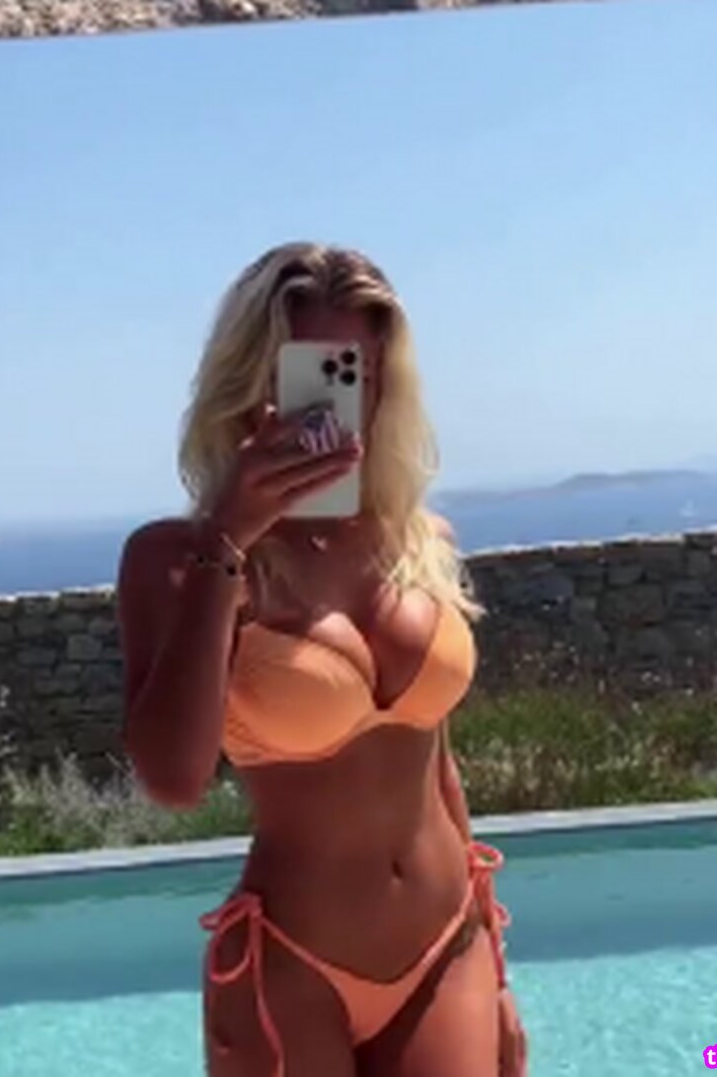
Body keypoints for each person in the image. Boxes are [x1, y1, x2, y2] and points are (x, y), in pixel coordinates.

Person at [117, 242, 527, 1077]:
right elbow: (174, 778)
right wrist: (228, 542)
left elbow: (435, 763)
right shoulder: (176, 559)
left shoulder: (420, 542)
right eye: (310, 372)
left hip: (448, 945)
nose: (337, 401)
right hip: (294, 966)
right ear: (250, 382)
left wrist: (495, 966)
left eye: (357, 371)